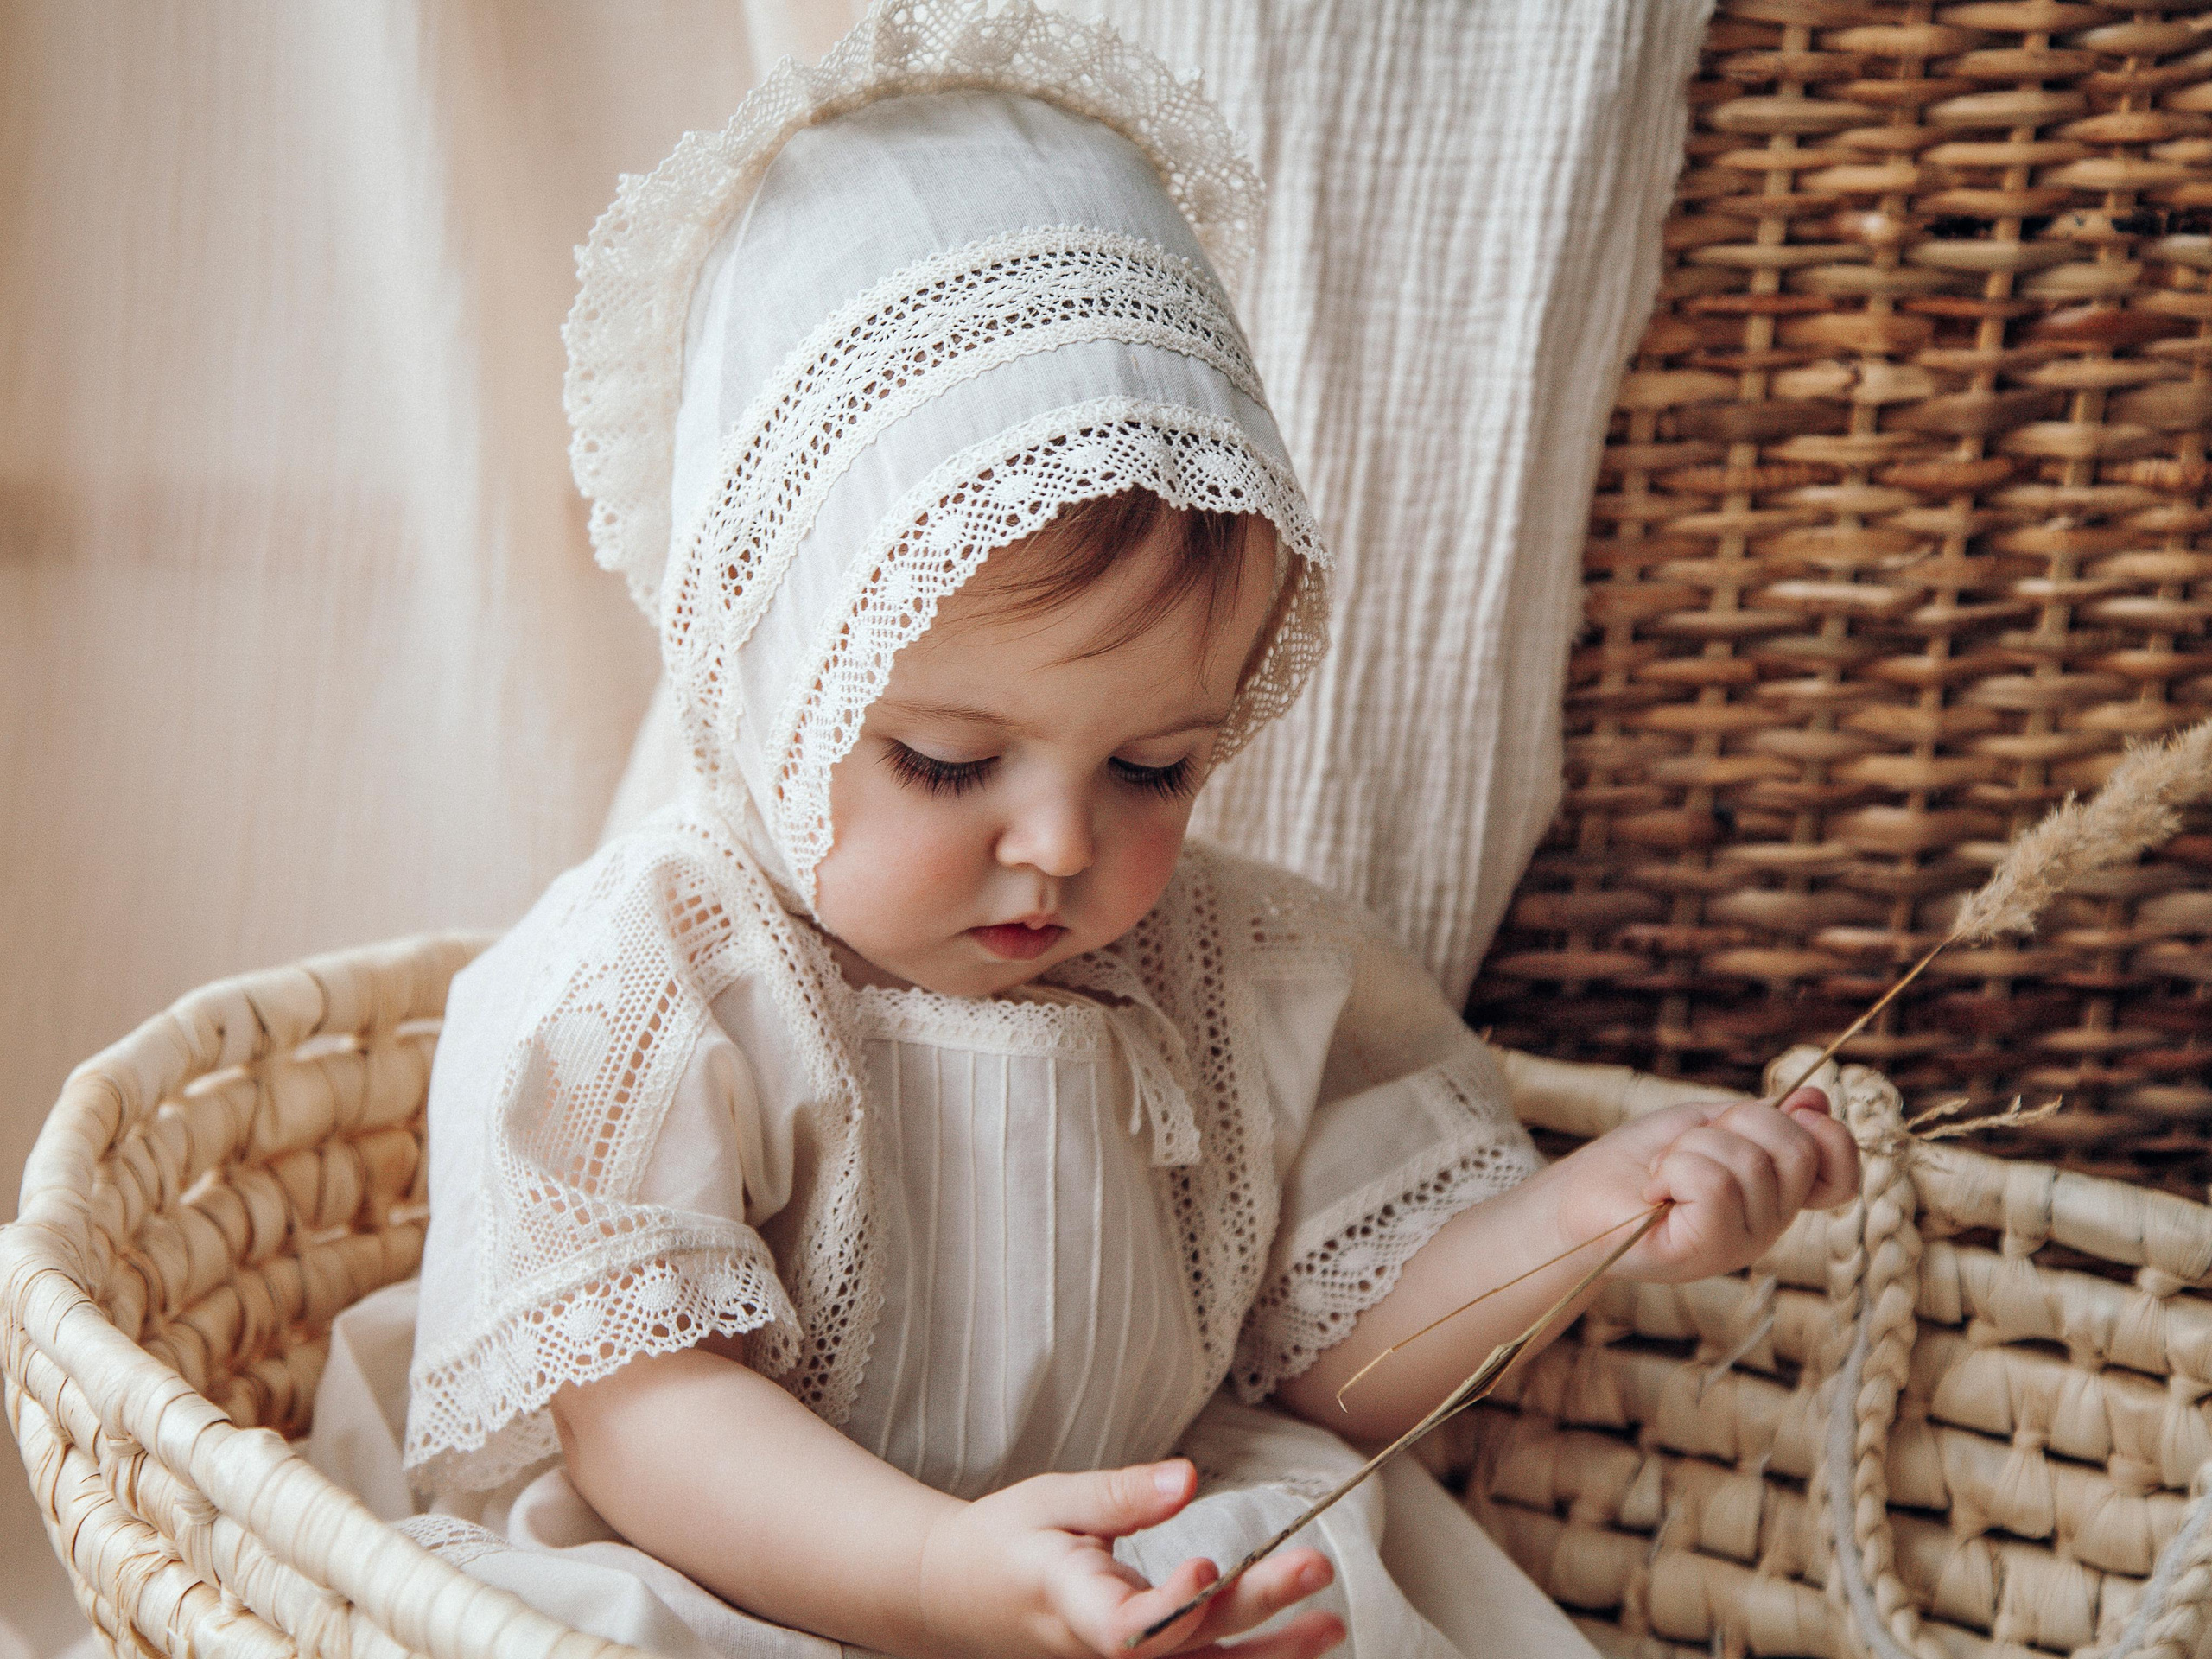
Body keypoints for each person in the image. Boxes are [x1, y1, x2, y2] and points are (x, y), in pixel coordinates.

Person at [308, 5, 1859, 1656]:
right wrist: (937, 1577)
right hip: (742, 1567)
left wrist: (1574, 1226)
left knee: (1317, 1579)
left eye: (1154, 769)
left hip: (1125, 1569)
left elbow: (1336, 1368)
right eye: (950, 764)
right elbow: (649, 1418)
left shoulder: (1240, 980)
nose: (1059, 845)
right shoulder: (665, 977)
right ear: (765, 681)